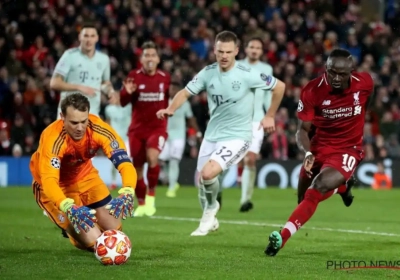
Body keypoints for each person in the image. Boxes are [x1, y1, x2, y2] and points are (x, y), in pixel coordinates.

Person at [157, 31, 286, 236]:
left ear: (236, 51)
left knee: (208, 174)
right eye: (220, 52)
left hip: (239, 136)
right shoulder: (207, 73)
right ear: (214, 51)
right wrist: (171, 109)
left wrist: (270, 115)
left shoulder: (247, 73)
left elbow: (279, 86)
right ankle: (211, 214)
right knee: (202, 180)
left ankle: (211, 210)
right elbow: (184, 92)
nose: (224, 56)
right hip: (212, 135)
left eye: (228, 51)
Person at [265, 49, 374, 256]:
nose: (335, 78)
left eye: (342, 74)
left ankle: (282, 237)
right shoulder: (312, 91)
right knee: (303, 200)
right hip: (318, 147)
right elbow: (302, 130)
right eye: (331, 72)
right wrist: (307, 153)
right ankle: (343, 188)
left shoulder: (365, 83)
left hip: (348, 149)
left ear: (351, 71)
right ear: (326, 68)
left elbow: (369, 101)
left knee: (318, 187)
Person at [30, 93, 136, 251]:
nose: (80, 128)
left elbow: (125, 164)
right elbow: (49, 181)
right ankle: (73, 234)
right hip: (56, 188)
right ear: (62, 117)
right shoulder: (52, 139)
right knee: (95, 243)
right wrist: (67, 206)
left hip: (86, 177)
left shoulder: (99, 129)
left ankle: (83, 229)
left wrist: (128, 190)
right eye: (74, 122)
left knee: (114, 232)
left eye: (83, 121)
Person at [118, 41, 171, 217]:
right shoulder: (134, 76)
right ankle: (141, 204)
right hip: (137, 129)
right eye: (146, 55)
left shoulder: (165, 78)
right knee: (138, 167)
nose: (149, 58)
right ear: (141, 59)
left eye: (152, 55)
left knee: (153, 156)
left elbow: (170, 100)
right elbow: (123, 102)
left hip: (157, 127)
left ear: (158, 59)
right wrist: (127, 92)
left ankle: (151, 197)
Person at [236, 37, 273, 212]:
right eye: (252, 47)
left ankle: (245, 200)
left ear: (261, 51)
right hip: (235, 119)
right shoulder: (235, 66)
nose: (254, 50)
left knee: (250, 159)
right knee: (230, 160)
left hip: (256, 120)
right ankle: (217, 192)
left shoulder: (267, 69)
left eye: (258, 48)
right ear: (246, 48)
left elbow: (268, 95)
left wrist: (268, 115)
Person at [50, 24, 114, 117]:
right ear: (80, 37)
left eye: (92, 36)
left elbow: (105, 83)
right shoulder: (69, 56)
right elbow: (54, 83)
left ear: (97, 38)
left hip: (92, 114)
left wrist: (110, 92)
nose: (89, 40)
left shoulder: (104, 59)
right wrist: (79, 87)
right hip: (69, 115)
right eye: (86, 36)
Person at [158, 81, 201, 198]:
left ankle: (172, 187)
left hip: (179, 136)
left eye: (174, 89)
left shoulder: (184, 103)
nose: (172, 91)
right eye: (170, 89)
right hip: (165, 135)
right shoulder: (163, 102)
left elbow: (190, 118)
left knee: (174, 160)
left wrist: (197, 132)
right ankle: (172, 180)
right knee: (159, 159)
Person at [105, 96, 132, 190]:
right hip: (115, 139)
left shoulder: (128, 107)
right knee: (115, 162)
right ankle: (113, 182)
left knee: (128, 162)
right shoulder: (109, 109)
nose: (117, 98)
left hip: (127, 138)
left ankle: (128, 183)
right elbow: (107, 123)